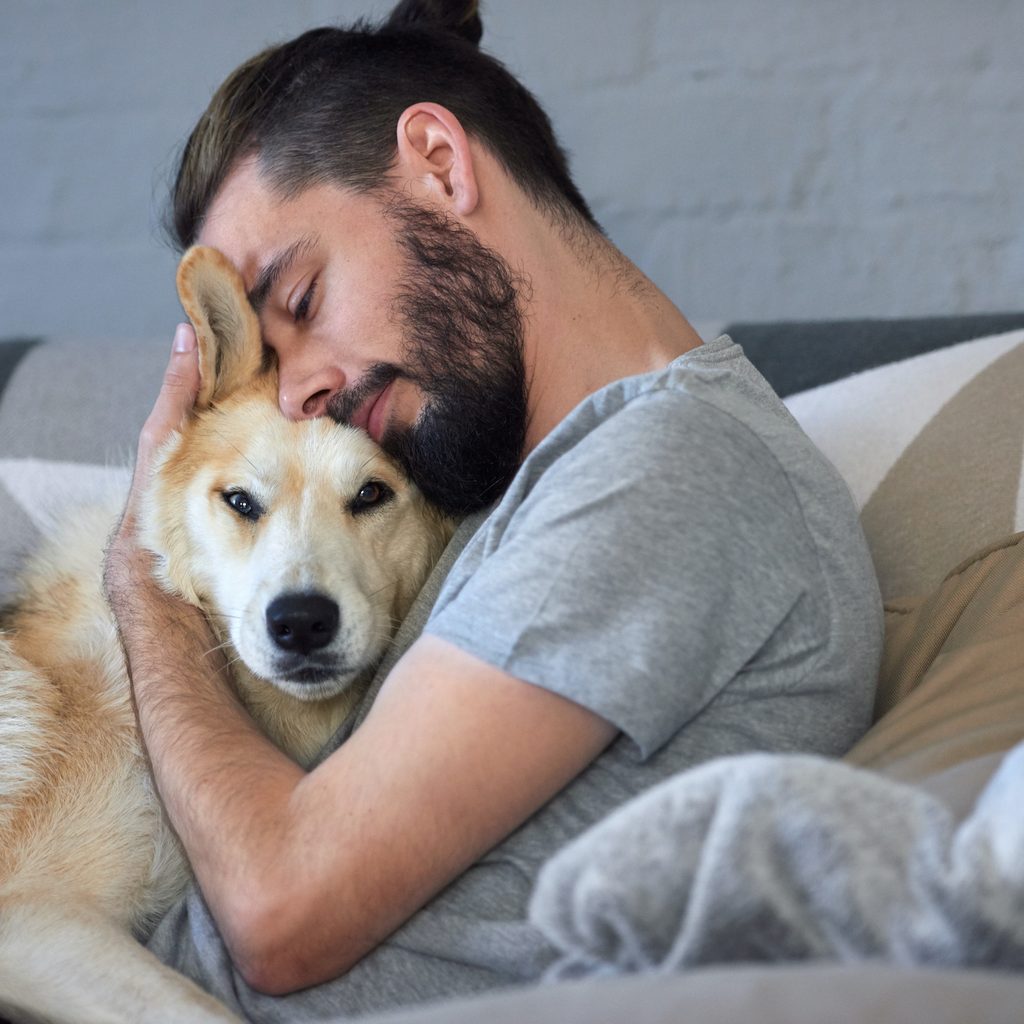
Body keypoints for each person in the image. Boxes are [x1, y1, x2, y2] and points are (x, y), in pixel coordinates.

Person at [102, 0, 884, 1018]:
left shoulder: (667, 468)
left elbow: (279, 911)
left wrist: (141, 573)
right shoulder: (523, 476)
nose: (294, 394)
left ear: (438, 161)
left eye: (298, 300)